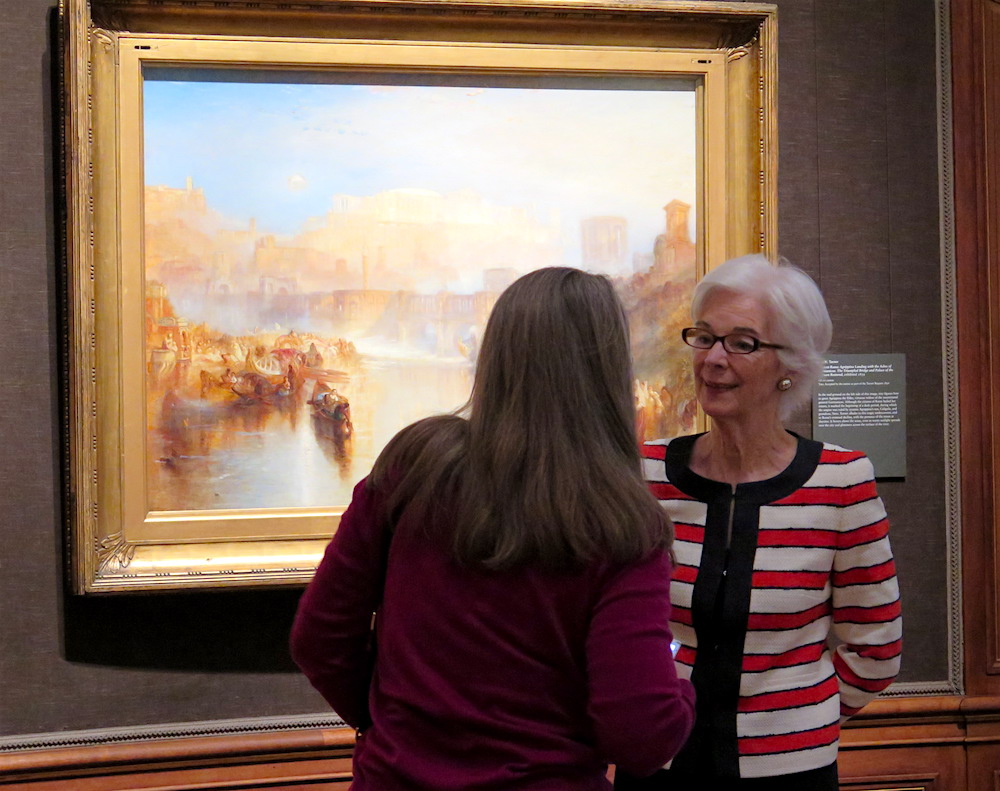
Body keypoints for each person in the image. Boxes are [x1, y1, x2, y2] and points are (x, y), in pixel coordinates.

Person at [291, 267, 696, 790]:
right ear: (610, 373)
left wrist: (389, 723)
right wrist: (688, 691)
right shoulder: (620, 524)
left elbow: (319, 637)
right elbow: (641, 734)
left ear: (498, 355)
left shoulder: (414, 466)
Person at [615, 254, 902, 790]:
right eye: (704, 337)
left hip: (789, 776)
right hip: (660, 768)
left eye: (742, 343)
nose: (713, 359)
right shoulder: (646, 472)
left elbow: (876, 649)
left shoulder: (840, 481)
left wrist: (797, 721)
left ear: (790, 365)